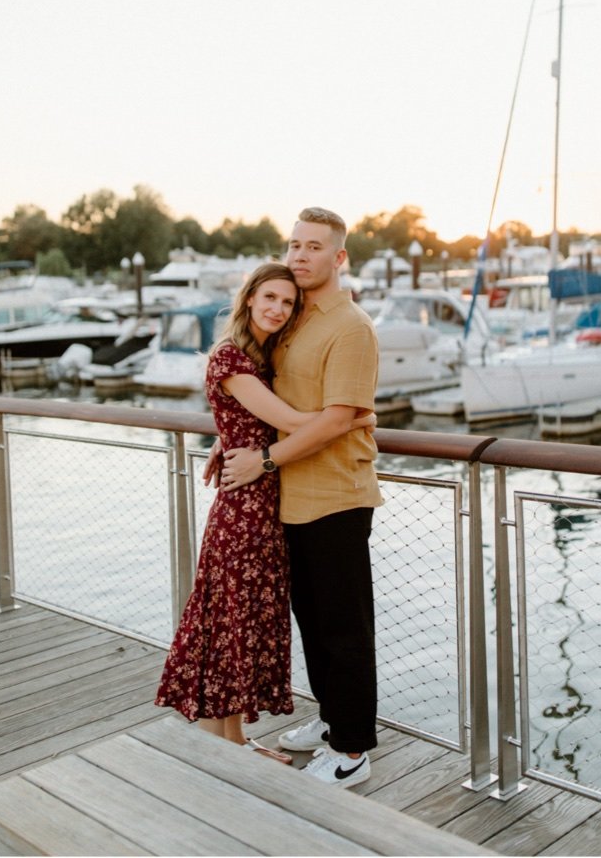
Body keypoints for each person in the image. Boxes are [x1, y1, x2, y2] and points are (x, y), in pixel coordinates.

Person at [156, 263, 374, 762]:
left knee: (236, 621)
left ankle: (233, 742)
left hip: (262, 499)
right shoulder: (232, 357)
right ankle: (227, 746)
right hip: (245, 510)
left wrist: (227, 438)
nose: (278, 309)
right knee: (232, 621)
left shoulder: (259, 355)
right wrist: (360, 416)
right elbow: (293, 420)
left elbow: (252, 420)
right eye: (270, 298)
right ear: (249, 297)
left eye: (288, 303)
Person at [218, 206, 383, 788]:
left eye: (314, 247)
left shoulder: (351, 326)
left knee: (344, 626)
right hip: (290, 498)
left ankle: (354, 749)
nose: (300, 255)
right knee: (312, 621)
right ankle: (333, 718)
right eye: (294, 244)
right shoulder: (291, 319)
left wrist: (262, 459)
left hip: (336, 495)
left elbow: (341, 418)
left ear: (339, 257)